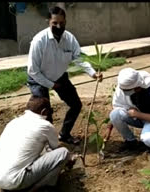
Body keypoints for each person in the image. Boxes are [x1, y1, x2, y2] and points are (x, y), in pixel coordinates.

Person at [27, 6, 102, 145]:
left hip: (60, 76)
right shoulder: (39, 41)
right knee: (43, 114)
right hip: (39, 78)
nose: (58, 26)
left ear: (65, 21)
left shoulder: (69, 38)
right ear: (48, 21)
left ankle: (64, 134)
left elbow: (78, 58)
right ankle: (46, 145)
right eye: (54, 23)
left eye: (61, 23)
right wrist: (51, 84)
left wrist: (92, 72)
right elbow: (33, 71)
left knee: (76, 105)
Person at [0, 96, 77, 192]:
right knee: (63, 153)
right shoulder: (45, 125)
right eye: (49, 112)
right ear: (44, 111)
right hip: (14, 180)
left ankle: (5, 191)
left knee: (25, 151)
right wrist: (70, 158)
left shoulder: (13, 122)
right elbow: (56, 149)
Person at [109, 68, 150, 151]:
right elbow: (117, 105)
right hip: (135, 117)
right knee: (114, 114)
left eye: (127, 90)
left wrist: (137, 114)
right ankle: (131, 142)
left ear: (137, 87)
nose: (124, 92)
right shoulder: (123, 86)